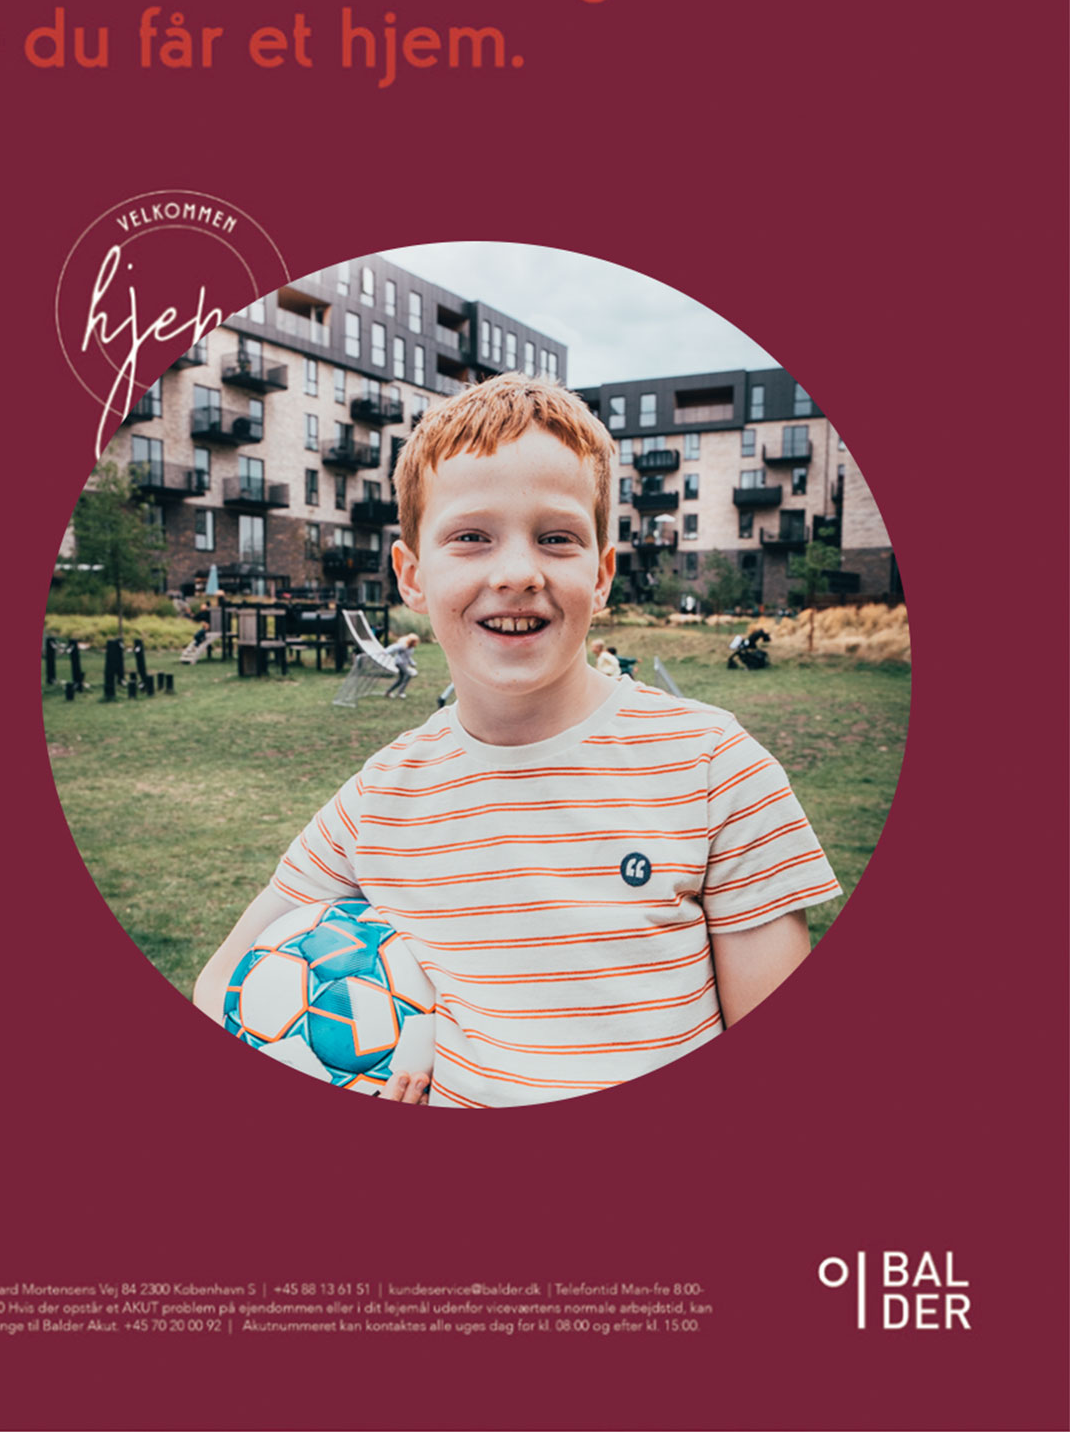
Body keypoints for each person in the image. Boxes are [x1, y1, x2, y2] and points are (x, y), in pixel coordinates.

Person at [195, 374, 840, 1108]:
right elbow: (218, 985)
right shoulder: (379, 799)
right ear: (411, 576)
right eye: (471, 538)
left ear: (600, 576)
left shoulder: (716, 771)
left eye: (556, 539)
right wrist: (376, 1034)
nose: (516, 574)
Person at [383, 631, 420, 699]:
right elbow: (393, 648)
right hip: (399, 663)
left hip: (404, 663)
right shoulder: (403, 646)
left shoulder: (411, 648)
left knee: (401, 679)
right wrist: (385, 652)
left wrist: (412, 663)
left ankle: (388, 692)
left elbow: (407, 657)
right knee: (408, 675)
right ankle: (400, 692)